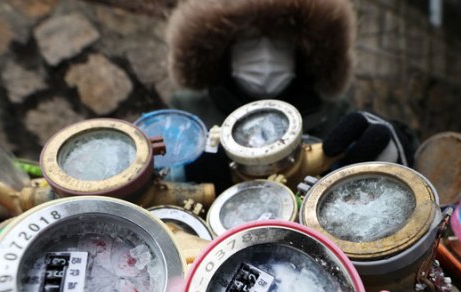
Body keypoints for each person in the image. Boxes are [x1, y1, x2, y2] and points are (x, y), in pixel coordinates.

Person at [165, 0, 418, 192]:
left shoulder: (332, 111)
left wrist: (397, 143)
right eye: (249, 41)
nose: (265, 56)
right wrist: (185, 170)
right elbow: (151, 176)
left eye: (281, 43)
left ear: (302, 51)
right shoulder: (186, 111)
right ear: (224, 49)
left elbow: (394, 161)